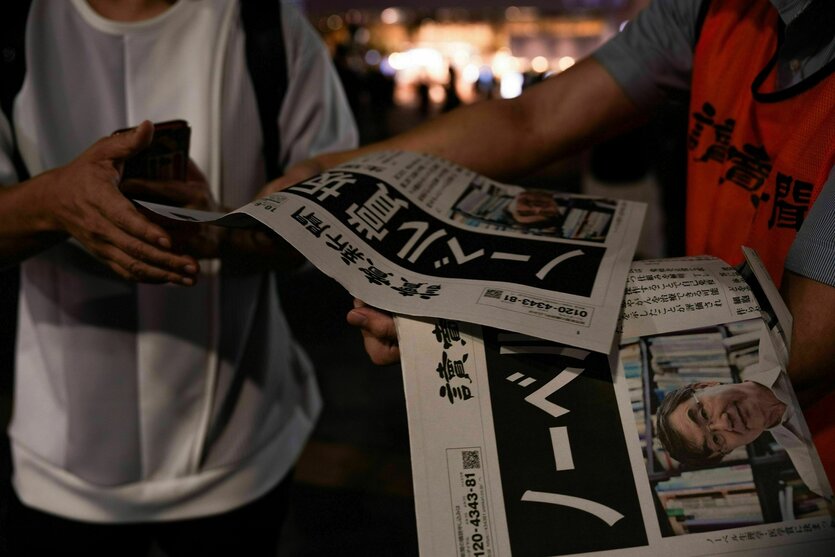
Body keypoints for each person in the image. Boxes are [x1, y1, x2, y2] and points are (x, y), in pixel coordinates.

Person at [267, 0, 835, 476]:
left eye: (706, 429)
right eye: (712, 432)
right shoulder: (716, 9)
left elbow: (804, 334)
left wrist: (472, 314)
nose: (724, 423)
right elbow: (533, 119)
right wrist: (330, 173)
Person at [0, 0, 357, 555]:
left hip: (239, 451)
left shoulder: (266, 23)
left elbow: (333, 215)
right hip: (60, 466)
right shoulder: (15, 25)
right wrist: (52, 203)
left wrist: (218, 234)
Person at [655, 368, 830, 497]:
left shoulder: (786, 336)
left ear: (705, 385)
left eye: (704, 414)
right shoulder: (817, 472)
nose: (725, 423)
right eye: (716, 440)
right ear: (730, 449)